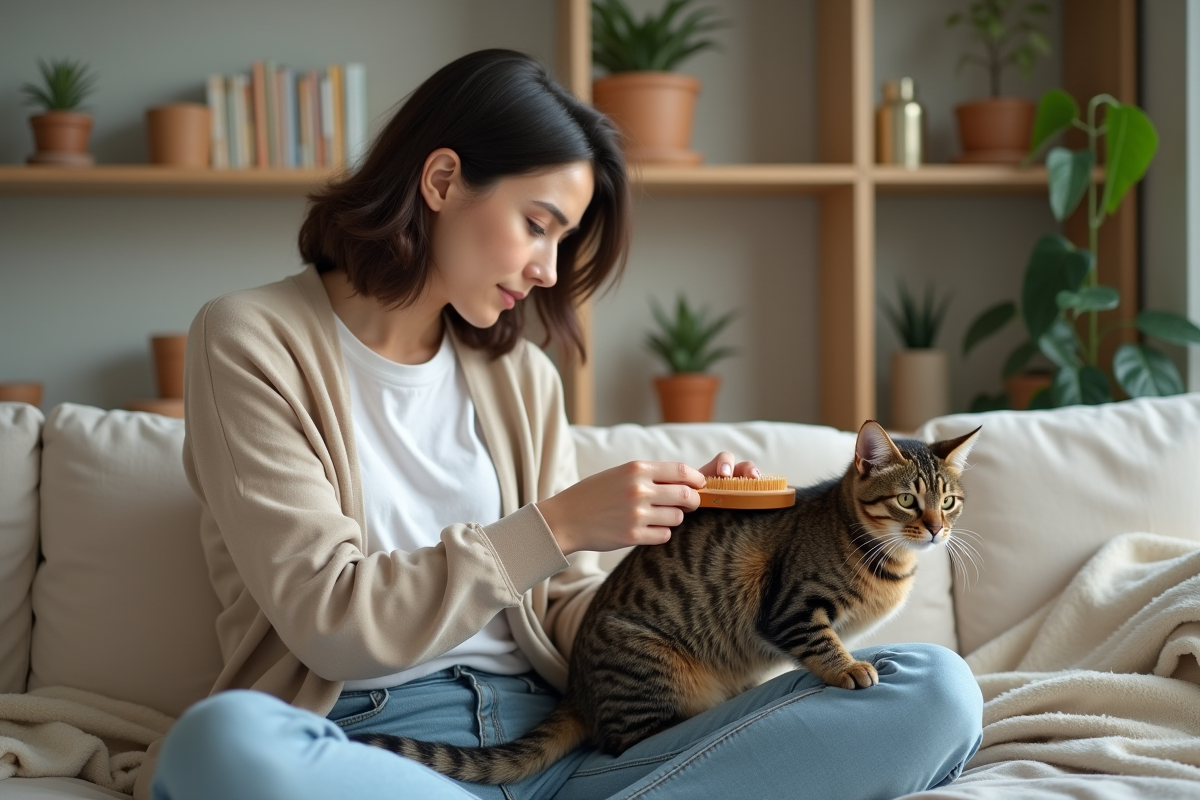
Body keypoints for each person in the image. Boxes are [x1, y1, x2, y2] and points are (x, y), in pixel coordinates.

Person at [150, 49, 983, 800]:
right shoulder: (250, 340)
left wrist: (702, 545)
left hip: (559, 747)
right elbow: (329, 622)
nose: (550, 271)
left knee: (936, 692)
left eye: (565, 239)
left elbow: (562, 614)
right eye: (537, 224)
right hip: (367, 747)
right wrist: (555, 525)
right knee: (223, 744)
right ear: (441, 182)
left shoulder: (520, 379)